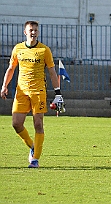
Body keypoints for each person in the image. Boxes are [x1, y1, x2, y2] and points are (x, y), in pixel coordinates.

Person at [0, 20, 61, 168]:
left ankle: (35, 160)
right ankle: (33, 145)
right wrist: (4, 85)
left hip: (38, 92)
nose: (33, 32)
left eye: (35, 30)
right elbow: (11, 69)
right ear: (25, 32)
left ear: (38, 32)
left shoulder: (44, 50)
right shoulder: (18, 49)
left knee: (38, 124)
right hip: (21, 92)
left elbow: (52, 71)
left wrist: (58, 92)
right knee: (16, 124)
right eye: (30, 30)